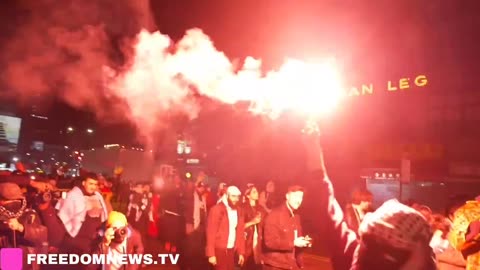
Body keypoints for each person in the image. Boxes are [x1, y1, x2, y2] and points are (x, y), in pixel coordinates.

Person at [302, 124, 436, 270]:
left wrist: (312, 147)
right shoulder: (357, 250)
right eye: (367, 238)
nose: (363, 246)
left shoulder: (358, 254)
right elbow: (324, 201)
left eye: (371, 240)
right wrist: (312, 146)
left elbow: (325, 203)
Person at [56, 172, 109, 265]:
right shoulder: (74, 195)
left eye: (95, 184)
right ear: (84, 183)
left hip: (92, 241)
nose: (93, 187)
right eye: (90, 183)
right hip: (76, 240)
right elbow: (64, 215)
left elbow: (104, 216)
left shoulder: (98, 196)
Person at [0, 182, 47, 270]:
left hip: (26, 262)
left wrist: (20, 227)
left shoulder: (29, 214)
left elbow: (41, 236)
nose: (13, 203)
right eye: (7, 200)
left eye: (16, 199)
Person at [262, 185, 309, 269]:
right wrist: (293, 243)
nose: (299, 200)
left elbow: (296, 244)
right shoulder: (274, 215)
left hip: (290, 265)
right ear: (287, 196)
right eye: (296, 196)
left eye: (301, 197)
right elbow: (269, 242)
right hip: (276, 266)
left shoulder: (296, 216)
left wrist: (304, 242)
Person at [206, 186, 245, 270]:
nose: (236, 199)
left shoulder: (239, 211)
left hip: (231, 250)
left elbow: (240, 232)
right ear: (227, 195)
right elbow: (211, 233)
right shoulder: (217, 209)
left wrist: (241, 252)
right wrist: (211, 254)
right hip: (219, 249)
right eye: (233, 196)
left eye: (237, 196)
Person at [242, 184, 267, 270]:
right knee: (246, 265)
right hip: (247, 242)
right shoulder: (242, 208)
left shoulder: (260, 208)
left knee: (257, 265)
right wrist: (252, 222)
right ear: (248, 195)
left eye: (257, 191)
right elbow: (238, 226)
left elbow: (265, 224)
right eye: (254, 192)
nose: (257, 193)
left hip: (258, 243)